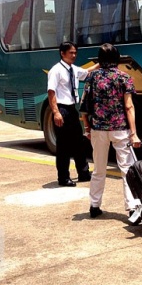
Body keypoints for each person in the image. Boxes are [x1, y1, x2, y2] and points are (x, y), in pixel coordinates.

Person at [80, 43, 142, 220]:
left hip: (98, 129)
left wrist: (87, 127)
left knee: (99, 169)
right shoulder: (124, 77)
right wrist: (134, 132)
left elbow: (85, 106)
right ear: (117, 58)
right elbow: (129, 107)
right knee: (126, 169)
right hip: (120, 129)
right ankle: (131, 208)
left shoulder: (92, 78)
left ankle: (94, 205)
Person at [47, 41, 98, 187]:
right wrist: (56, 113)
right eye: (71, 53)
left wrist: (101, 62)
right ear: (62, 54)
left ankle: (83, 173)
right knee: (63, 145)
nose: (74, 55)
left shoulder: (73, 69)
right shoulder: (56, 70)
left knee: (79, 142)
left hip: (71, 109)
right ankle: (63, 178)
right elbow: (51, 92)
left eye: (75, 53)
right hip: (62, 109)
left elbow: (87, 72)